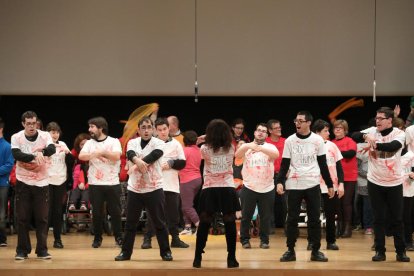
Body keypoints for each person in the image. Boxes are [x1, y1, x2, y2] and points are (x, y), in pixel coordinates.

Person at [351, 106, 410, 262]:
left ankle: (401, 251)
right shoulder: (372, 131)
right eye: (376, 118)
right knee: (378, 218)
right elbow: (353, 135)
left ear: (389, 120)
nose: (377, 121)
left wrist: (374, 144)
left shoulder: (400, 134)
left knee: (397, 219)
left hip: (394, 182)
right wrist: (365, 138)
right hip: (375, 181)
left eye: (380, 118)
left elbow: (393, 147)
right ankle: (380, 251)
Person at [276, 111, 334, 262]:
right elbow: (284, 164)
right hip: (294, 184)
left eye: (301, 121)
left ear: (309, 123)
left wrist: (329, 184)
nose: (297, 123)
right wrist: (280, 181)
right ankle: (290, 250)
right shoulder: (290, 140)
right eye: (296, 120)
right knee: (292, 218)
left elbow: (323, 164)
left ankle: (315, 250)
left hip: (312, 183)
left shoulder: (317, 140)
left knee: (314, 218)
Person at [115, 116, 173, 262]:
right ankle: (125, 253)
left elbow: (155, 155)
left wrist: (136, 164)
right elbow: (130, 154)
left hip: (154, 188)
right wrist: (137, 161)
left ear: (153, 129)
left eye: (149, 127)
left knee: (159, 222)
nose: (146, 130)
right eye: (143, 128)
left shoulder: (159, 142)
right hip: (135, 189)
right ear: (139, 130)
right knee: (130, 223)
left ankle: (165, 252)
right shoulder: (132, 142)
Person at [193, 119, 240, 269]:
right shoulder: (231, 148)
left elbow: (196, 146)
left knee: (205, 221)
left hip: (210, 188)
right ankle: (231, 258)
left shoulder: (204, 149)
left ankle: (197, 258)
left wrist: (202, 138)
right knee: (229, 221)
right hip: (227, 188)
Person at [11, 111, 56, 260]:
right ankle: (22, 250)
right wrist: (34, 156)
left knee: (42, 218)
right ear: (23, 124)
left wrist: (42, 151)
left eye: (34, 123)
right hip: (23, 181)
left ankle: (42, 250)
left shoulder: (45, 136)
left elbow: (52, 149)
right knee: (22, 218)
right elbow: (17, 155)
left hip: (41, 182)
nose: (32, 126)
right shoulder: (16, 137)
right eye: (28, 123)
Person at [141, 117, 188, 249]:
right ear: (155, 131)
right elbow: (143, 162)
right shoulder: (151, 144)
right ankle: (147, 239)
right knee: (152, 214)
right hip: (155, 185)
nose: (163, 132)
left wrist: (172, 163)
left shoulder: (176, 144)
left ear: (169, 129)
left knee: (173, 215)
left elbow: (183, 163)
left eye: (165, 129)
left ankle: (175, 239)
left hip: (172, 185)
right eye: (160, 130)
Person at [78, 117, 123, 248]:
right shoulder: (89, 143)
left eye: (92, 127)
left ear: (100, 128)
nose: (89, 129)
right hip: (95, 183)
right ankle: (97, 238)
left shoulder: (114, 141)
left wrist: (102, 152)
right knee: (97, 212)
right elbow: (81, 156)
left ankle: (119, 237)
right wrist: (95, 155)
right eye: (89, 127)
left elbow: (116, 156)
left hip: (112, 183)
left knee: (115, 212)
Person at [235, 123, 279, 249]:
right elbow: (237, 155)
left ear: (267, 134)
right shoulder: (247, 147)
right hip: (249, 187)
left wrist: (259, 148)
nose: (260, 132)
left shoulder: (270, 146)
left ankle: (264, 240)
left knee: (265, 217)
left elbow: (275, 155)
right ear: (254, 132)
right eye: (258, 130)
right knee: (246, 216)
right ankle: (245, 239)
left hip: (267, 188)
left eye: (263, 131)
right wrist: (249, 145)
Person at [310, 119, 344, 250]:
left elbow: (339, 167)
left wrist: (341, 184)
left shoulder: (332, 146)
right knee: (313, 216)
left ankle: (331, 241)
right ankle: (312, 242)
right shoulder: (311, 146)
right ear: (317, 132)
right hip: (314, 185)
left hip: (331, 186)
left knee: (330, 215)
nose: (328, 133)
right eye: (325, 131)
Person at [46, 122, 74, 249]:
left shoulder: (63, 144)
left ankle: (57, 239)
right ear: (48, 133)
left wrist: (68, 152)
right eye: (52, 132)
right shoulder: (44, 144)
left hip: (60, 181)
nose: (55, 134)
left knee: (58, 211)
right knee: (46, 211)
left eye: (57, 132)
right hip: (46, 181)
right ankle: (43, 240)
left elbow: (71, 162)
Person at [332, 119, 357, 238]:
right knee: (337, 203)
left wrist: (336, 152)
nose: (337, 130)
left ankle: (348, 228)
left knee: (346, 202)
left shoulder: (350, 141)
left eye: (340, 128)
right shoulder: (331, 142)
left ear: (345, 130)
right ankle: (339, 226)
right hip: (335, 177)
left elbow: (351, 153)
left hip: (349, 176)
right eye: (335, 128)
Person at [179, 130, 202, 235]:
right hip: (197, 180)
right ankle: (188, 228)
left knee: (186, 206)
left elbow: (179, 164)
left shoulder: (184, 151)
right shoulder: (198, 150)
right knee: (187, 204)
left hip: (187, 181)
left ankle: (200, 226)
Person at [265, 119, 287, 228]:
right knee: (270, 201)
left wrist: (289, 170)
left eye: (279, 127)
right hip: (269, 175)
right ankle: (270, 226)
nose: (279, 129)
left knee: (284, 201)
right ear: (269, 130)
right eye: (276, 128)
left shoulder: (286, 141)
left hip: (284, 175)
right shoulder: (265, 142)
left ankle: (285, 225)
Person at [0, 117, 14, 247]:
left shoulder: (7, 146)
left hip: (2, 184)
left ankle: (2, 239)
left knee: (1, 214)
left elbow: (9, 165)